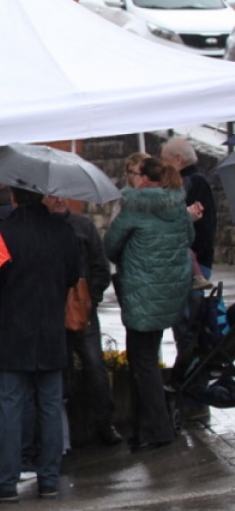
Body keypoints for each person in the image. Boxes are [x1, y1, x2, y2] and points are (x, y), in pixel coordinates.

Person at [0, 187, 82, 504]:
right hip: (50, 330)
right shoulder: (64, 232)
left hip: (11, 332)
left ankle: (7, 481)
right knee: (50, 406)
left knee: (9, 407)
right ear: (40, 197)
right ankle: (48, 479)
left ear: (14, 198)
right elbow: (72, 276)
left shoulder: (3, 233)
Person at [105, 157, 193, 453]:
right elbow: (189, 236)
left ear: (144, 178)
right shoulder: (177, 205)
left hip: (141, 291)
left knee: (142, 363)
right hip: (169, 291)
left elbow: (111, 245)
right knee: (146, 358)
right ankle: (146, 428)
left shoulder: (135, 206)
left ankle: (157, 430)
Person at [44, 194, 121, 447]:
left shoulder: (83, 226)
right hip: (52, 310)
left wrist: (91, 300)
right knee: (61, 368)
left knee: (94, 365)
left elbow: (101, 267)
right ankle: (69, 428)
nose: (59, 200)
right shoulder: (43, 227)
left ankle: (104, 422)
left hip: (82, 308)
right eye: (52, 196)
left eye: (61, 195)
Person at [161, 138, 215, 276]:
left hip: (193, 261)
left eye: (165, 160)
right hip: (194, 259)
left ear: (178, 160)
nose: (162, 165)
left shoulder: (192, 183)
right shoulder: (194, 181)